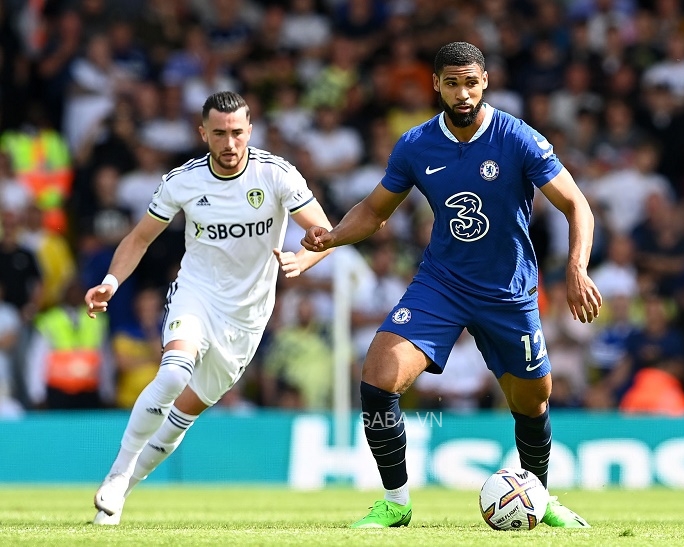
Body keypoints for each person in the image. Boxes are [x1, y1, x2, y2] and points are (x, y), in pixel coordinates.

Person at [302, 42, 601, 529]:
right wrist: (333, 235)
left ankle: (539, 496)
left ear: (485, 83)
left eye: (471, 82)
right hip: (442, 283)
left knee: (533, 400)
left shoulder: (518, 137)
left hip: (508, 291)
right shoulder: (416, 145)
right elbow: (375, 212)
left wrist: (576, 268)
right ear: (436, 85)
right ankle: (396, 504)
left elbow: (576, 205)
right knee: (379, 376)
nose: (463, 93)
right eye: (452, 83)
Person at [85, 91, 334, 525]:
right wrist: (110, 282)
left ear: (250, 131)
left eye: (237, 132)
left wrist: (306, 256)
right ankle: (118, 473)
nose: (230, 143)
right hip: (197, 292)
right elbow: (139, 238)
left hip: (249, 315)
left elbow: (324, 231)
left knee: (185, 413)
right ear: (203, 134)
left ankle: (124, 487)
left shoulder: (276, 175)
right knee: (174, 370)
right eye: (219, 133)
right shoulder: (183, 180)